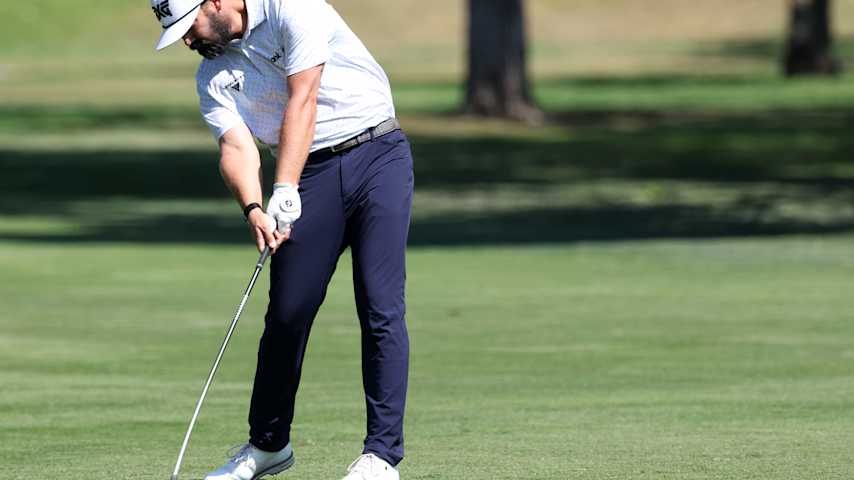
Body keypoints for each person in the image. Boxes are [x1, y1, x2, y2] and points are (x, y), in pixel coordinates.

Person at [150, 0, 413, 478]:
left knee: (380, 306)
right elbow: (235, 145)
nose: (188, 41)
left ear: (213, 2)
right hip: (309, 172)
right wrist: (254, 206)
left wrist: (285, 187)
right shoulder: (211, 73)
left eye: (190, 27)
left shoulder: (292, 7)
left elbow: (303, 97)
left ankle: (381, 454)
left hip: (377, 153)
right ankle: (268, 445)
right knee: (288, 311)